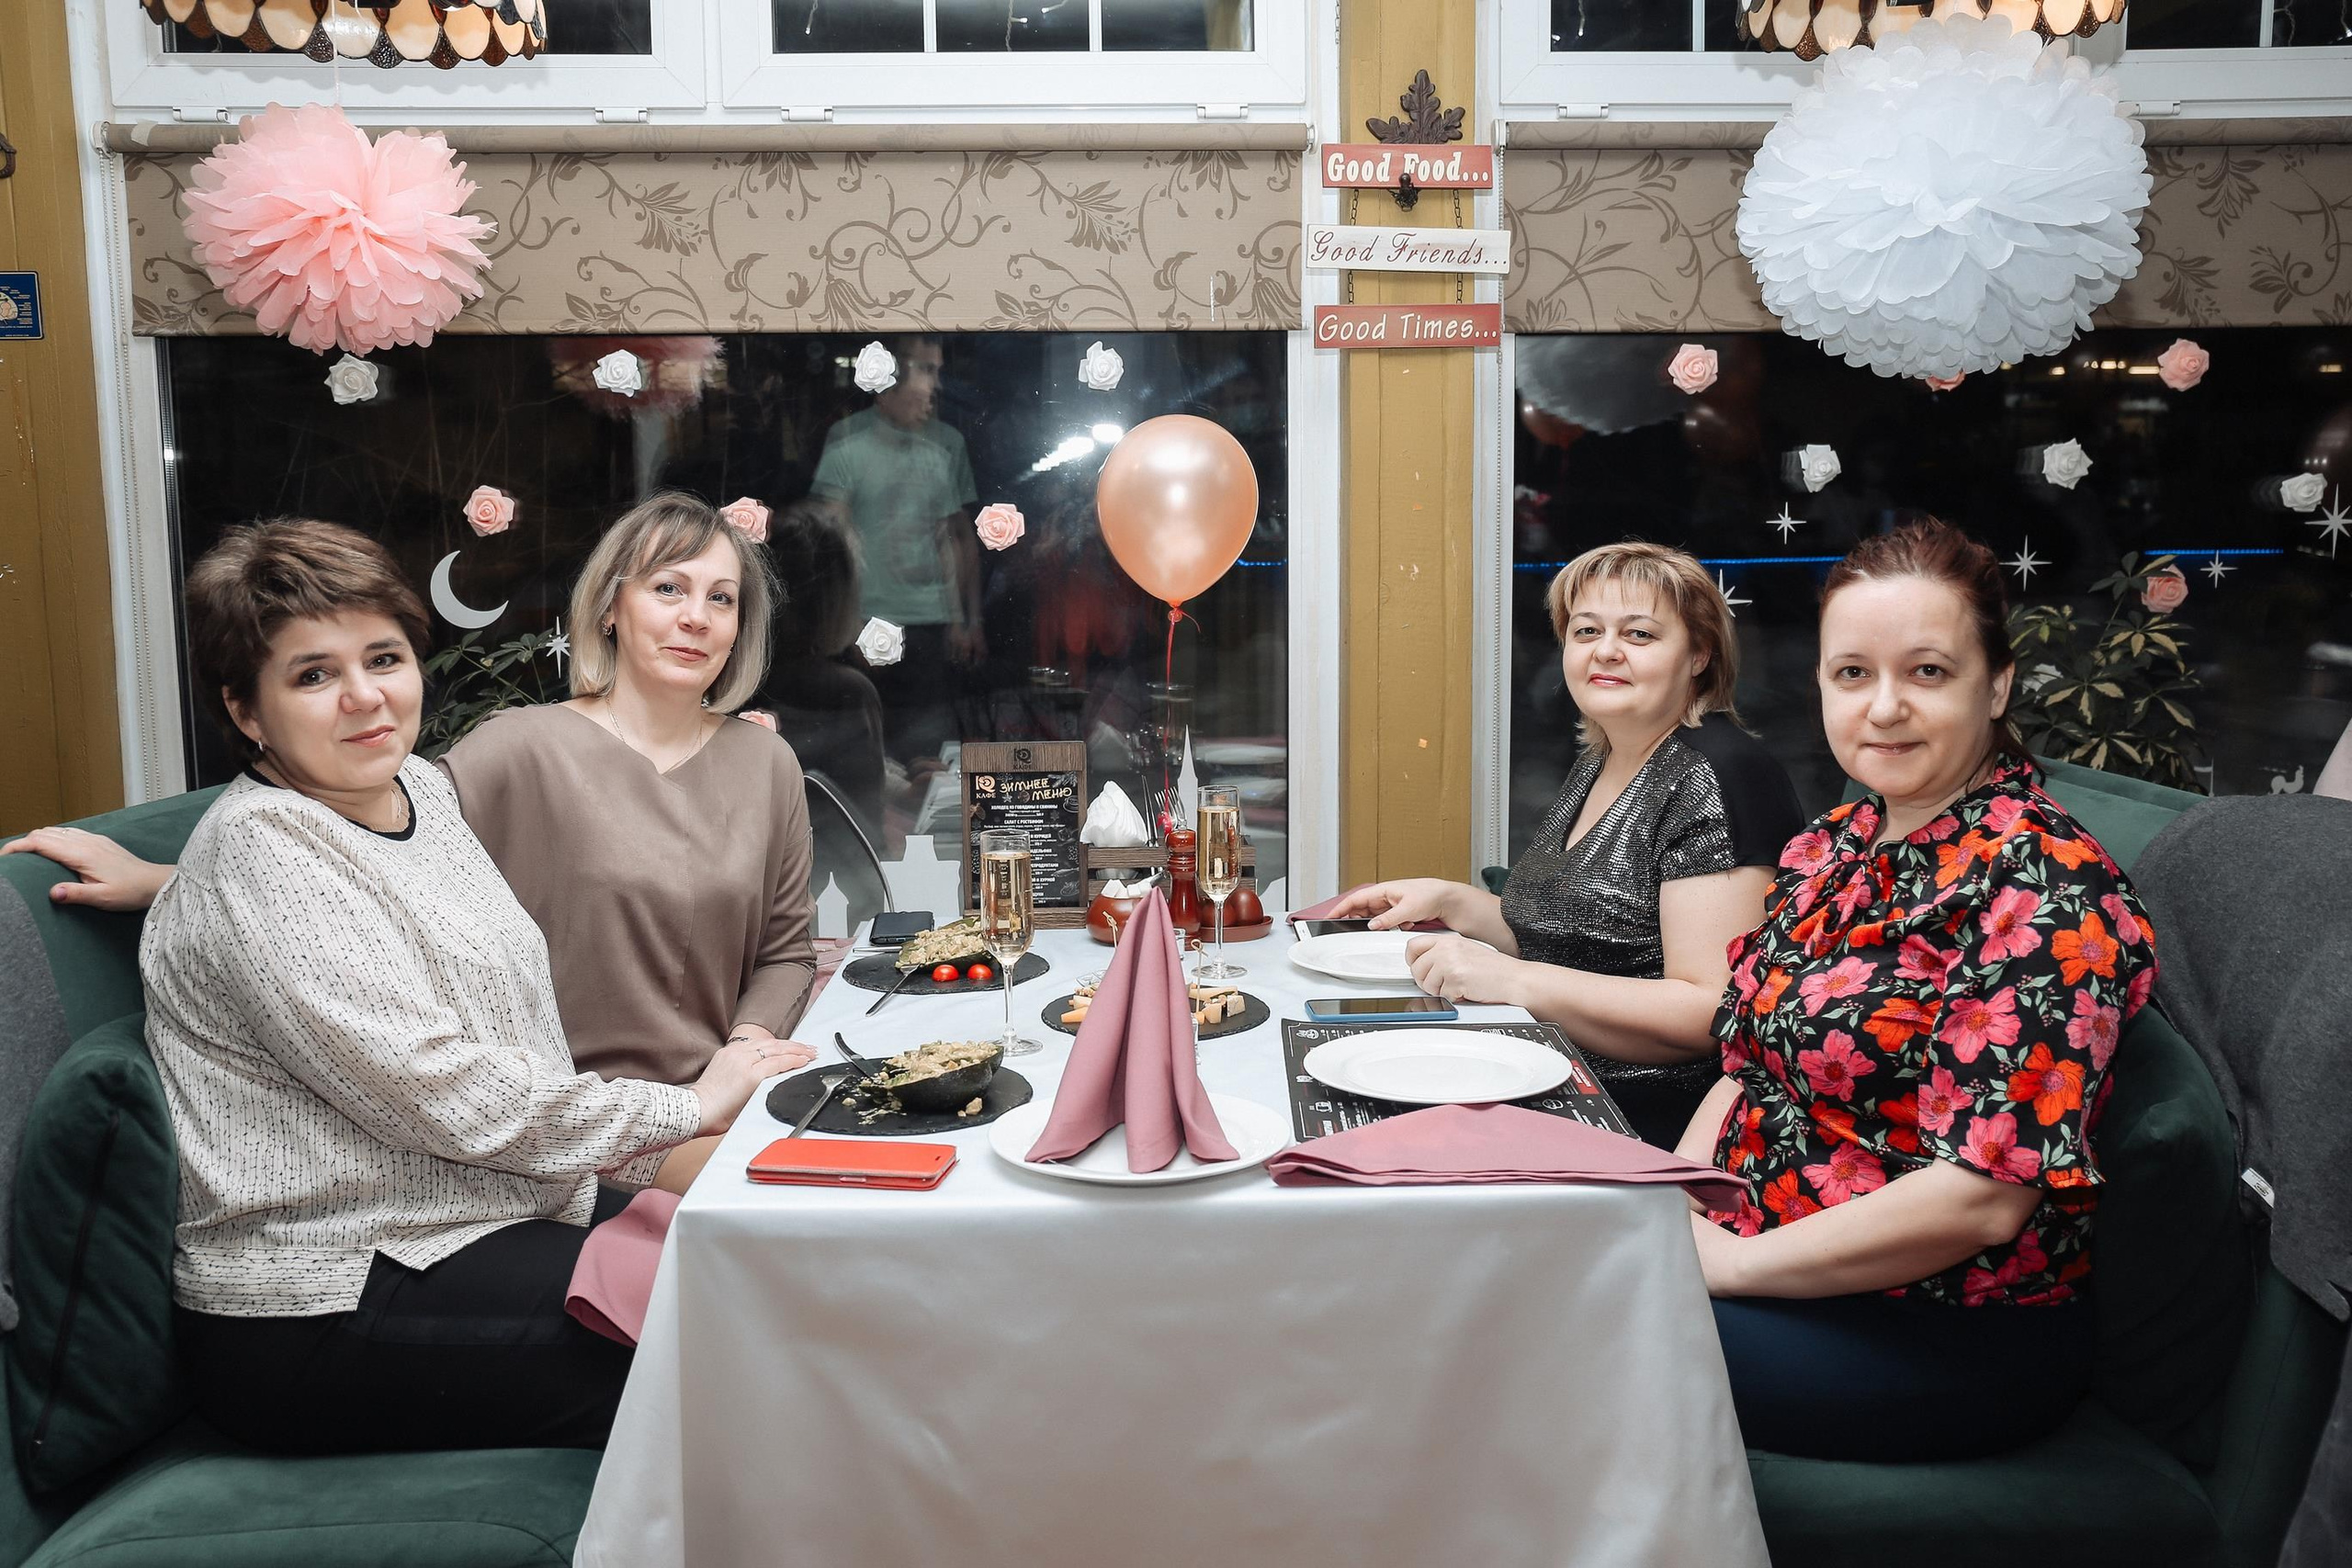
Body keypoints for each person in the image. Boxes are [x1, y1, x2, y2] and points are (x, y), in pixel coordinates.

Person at [130, 518, 789, 1455]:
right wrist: (686, 1107)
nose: (364, 698)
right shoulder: (257, 854)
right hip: (319, 1301)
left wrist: (668, 1147)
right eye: (313, 675)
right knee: (743, 1356)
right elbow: (454, 1099)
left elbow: (501, 1045)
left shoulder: (420, 798)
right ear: (247, 711)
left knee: (783, 1273)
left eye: (384, 657)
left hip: (478, 1220)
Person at [8, 492, 822, 1193]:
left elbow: (787, 947)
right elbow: (352, 848)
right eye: (670, 587)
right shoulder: (520, 747)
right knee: (800, 1205)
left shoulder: (767, 761)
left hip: (718, 1096)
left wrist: (744, 1058)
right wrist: (166, 877)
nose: (695, 616)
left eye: (722, 598)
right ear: (611, 606)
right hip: (575, 1117)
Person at [1684, 519, 2157, 1462]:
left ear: (1999, 685)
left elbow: (1979, 1201)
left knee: (1546, 1342)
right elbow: (1749, 1066)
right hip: (1764, 1261)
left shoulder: (2047, 888)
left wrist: (1726, 1266)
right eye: (1851, 673)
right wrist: (1677, 1200)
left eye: (1928, 672)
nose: (1883, 707)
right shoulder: (1833, 843)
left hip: (1934, 1330)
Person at [1328, 541, 1804, 1146]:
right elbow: (1575, 935)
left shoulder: (1718, 772)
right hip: (1549, 1074)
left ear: (1700, 654)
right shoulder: (1607, 755)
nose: (1606, 650)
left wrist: (1515, 980)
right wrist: (1453, 901)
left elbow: (1710, 1011)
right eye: (1586, 630)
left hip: (1643, 1121)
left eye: (1639, 634)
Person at [807, 334, 981, 764]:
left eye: (938, 370)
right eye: (926, 370)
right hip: (863, 625)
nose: (936, 385)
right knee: (865, 755)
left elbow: (959, 537)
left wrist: (968, 619)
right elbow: (829, 543)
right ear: (891, 376)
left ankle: (922, 834)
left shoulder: (946, 445)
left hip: (929, 626)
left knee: (927, 755)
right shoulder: (847, 441)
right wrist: (839, 624)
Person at [755, 497, 888, 835]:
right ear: (837, 595)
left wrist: (900, 777)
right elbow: (864, 827)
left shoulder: (737, 682)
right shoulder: (843, 690)